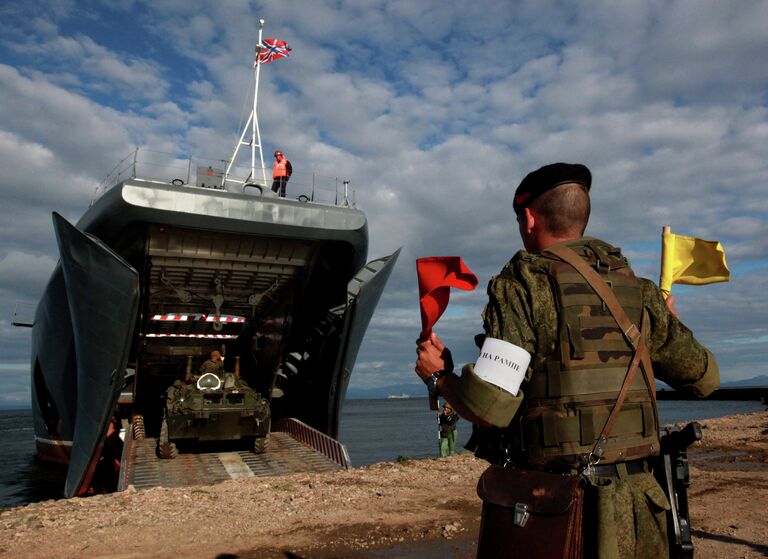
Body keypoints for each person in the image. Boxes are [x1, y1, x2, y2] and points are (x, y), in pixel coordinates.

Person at [415, 162, 719, 558]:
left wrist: (439, 378)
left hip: (557, 511)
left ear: (528, 218)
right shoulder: (640, 292)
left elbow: (489, 405)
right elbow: (705, 377)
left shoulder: (524, 283)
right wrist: (670, 325)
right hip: (643, 511)